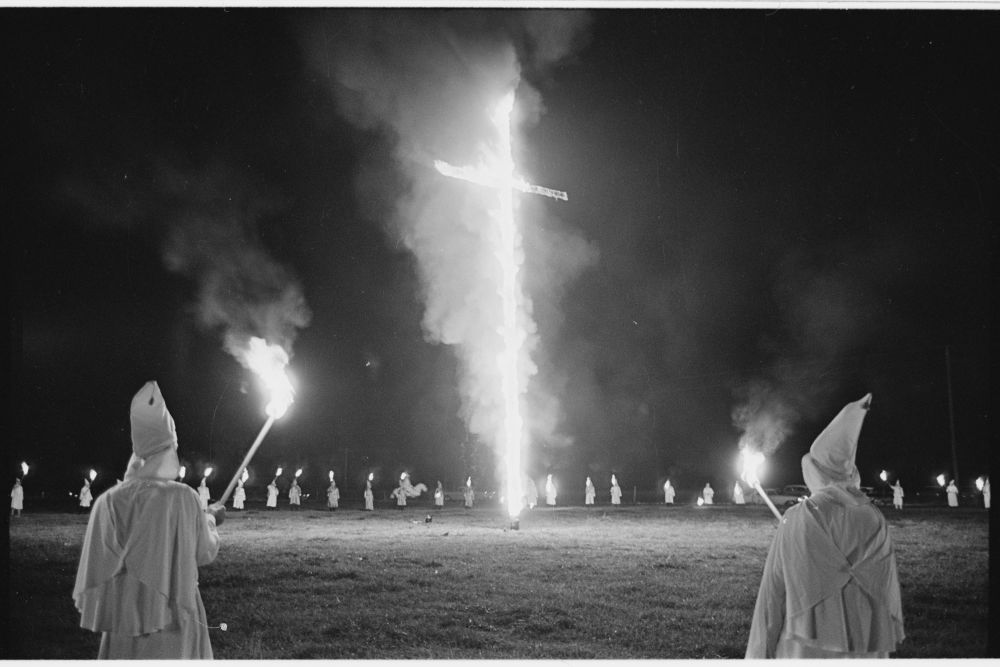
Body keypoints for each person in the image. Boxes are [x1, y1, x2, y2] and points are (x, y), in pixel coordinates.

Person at [746, 393, 905, 659]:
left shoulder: (797, 517)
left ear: (815, 471)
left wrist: (758, 656)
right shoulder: (874, 518)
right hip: (863, 649)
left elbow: (772, 596)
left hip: (805, 649)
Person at [73, 381, 224, 659]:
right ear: (169, 448)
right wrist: (211, 520)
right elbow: (203, 552)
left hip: (124, 618)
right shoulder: (181, 497)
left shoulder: (108, 500)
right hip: (173, 615)